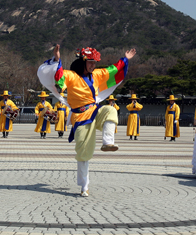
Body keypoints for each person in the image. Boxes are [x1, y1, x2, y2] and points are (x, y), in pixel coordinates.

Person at [37, 44, 136, 197]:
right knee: (83, 154)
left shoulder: (96, 74)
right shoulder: (71, 76)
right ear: (83, 62)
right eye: (90, 62)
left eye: (94, 63)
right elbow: (60, 78)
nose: (93, 65)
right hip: (80, 117)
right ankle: (84, 186)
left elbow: (113, 70)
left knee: (110, 110)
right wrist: (57, 59)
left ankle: (107, 142)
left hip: (94, 111)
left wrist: (124, 59)